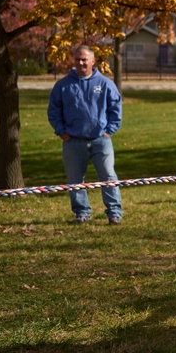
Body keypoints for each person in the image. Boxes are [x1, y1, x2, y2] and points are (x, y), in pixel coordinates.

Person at [47, 45, 124, 225]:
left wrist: (109, 131)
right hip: (73, 141)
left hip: (100, 141)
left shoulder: (105, 84)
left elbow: (116, 108)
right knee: (75, 180)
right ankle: (81, 213)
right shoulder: (63, 85)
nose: (81, 63)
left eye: (84, 60)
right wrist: (61, 132)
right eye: (78, 59)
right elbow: (53, 111)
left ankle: (114, 212)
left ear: (93, 61)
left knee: (108, 176)